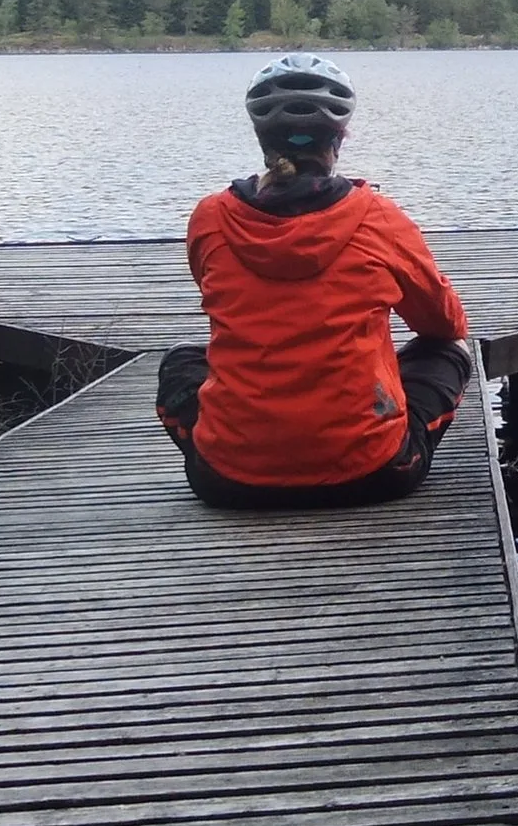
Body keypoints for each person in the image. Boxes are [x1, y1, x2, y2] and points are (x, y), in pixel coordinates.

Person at [156, 54, 472, 509]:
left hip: (228, 479)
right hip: (373, 472)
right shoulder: (378, 217)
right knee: (448, 351)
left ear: (261, 137)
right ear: (340, 137)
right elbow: (445, 324)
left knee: (183, 360)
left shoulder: (210, 217)